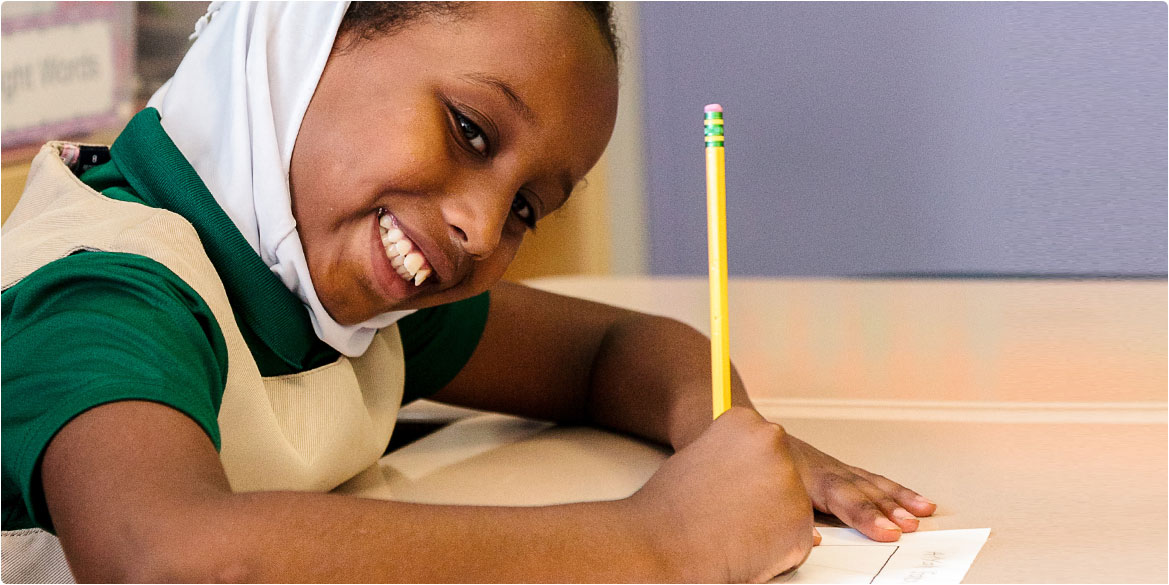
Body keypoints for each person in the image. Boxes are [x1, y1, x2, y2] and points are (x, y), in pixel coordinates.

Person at [1, 2, 936, 582]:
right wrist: (661, 542)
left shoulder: (335, 293)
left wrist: (731, 441)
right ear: (305, 32)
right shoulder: (103, 290)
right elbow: (165, 559)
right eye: (470, 131)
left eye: (527, 207)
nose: (484, 232)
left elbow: (612, 352)